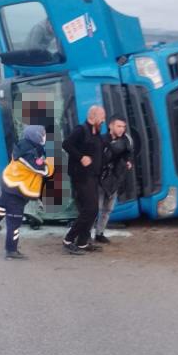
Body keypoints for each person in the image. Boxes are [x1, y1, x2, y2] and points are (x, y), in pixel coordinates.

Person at [0, 126, 54, 260]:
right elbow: (44, 170)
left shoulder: (25, 145)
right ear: (36, 136)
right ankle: (11, 250)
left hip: (11, 183)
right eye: (43, 134)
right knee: (14, 221)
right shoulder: (28, 153)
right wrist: (50, 162)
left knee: (2, 204)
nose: (45, 136)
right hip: (18, 189)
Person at [61, 105, 106, 255]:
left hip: (93, 176)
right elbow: (66, 144)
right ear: (92, 117)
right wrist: (81, 157)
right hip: (81, 176)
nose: (103, 120)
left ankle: (82, 242)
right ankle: (68, 239)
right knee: (90, 209)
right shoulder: (81, 130)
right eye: (102, 117)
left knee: (93, 211)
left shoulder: (97, 133)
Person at [93, 115, 133, 244]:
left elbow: (128, 156)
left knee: (108, 209)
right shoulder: (101, 140)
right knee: (94, 209)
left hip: (114, 179)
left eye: (123, 127)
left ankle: (99, 233)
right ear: (111, 126)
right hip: (100, 179)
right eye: (119, 126)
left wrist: (127, 162)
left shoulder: (126, 141)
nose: (121, 129)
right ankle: (85, 235)